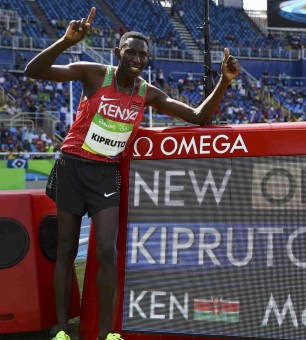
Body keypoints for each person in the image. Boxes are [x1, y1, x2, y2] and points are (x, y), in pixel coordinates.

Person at [23, 7, 240, 340]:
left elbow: (198, 116)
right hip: (72, 166)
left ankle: (107, 334)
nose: (137, 58)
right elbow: (34, 70)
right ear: (117, 53)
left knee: (108, 250)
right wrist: (66, 41)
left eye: (143, 54)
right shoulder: (94, 74)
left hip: (106, 173)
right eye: (131, 52)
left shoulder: (147, 93)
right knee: (66, 248)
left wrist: (223, 82)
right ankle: (62, 330)